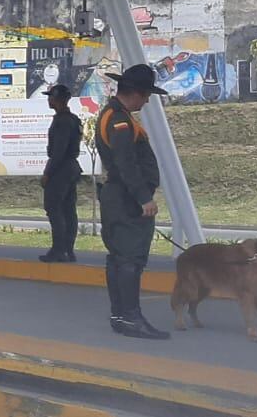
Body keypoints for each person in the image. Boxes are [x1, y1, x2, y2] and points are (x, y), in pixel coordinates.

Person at [94, 64, 171, 340]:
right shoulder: (120, 121)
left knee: (119, 258)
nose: (147, 101)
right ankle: (130, 317)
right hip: (126, 199)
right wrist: (143, 198)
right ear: (136, 93)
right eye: (147, 95)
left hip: (118, 196)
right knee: (130, 259)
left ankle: (120, 316)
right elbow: (126, 163)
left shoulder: (116, 115)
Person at [40, 84, 83, 263]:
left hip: (61, 169)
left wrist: (47, 173)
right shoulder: (73, 119)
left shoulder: (62, 121)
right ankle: (68, 250)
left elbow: (59, 150)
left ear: (57, 99)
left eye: (50, 97)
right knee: (68, 209)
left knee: (54, 208)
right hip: (71, 167)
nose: (49, 100)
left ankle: (59, 250)